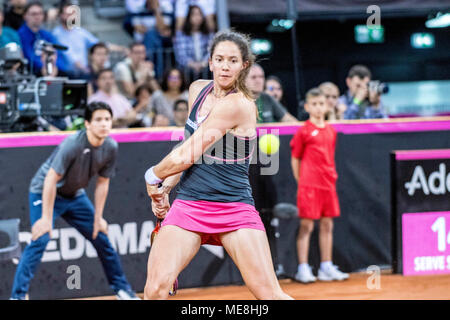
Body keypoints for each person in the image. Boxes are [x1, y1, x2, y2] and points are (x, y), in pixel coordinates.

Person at [143, 30, 293, 300]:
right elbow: (189, 147)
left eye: (233, 61)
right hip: (190, 205)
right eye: (220, 59)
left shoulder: (238, 105)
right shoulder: (197, 90)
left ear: (244, 65)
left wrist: (152, 176)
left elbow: (186, 155)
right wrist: (166, 187)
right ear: (210, 62)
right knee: (154, 291)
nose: (225, 66)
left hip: (234, 209)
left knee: (270, 295)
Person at [10, 102, 140, 300]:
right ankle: (18, 296)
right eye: (98, 120)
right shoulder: (73, 144)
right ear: (87, 123)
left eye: (107, 119)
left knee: (101, 237)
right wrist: (45, 218)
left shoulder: (111, 146)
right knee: (41, 238)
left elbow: (102, 183)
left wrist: (98, 217)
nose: (104, 124)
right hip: (44, 191)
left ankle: (123, 291)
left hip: (75, 196)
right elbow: (51, 179)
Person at [290, 87, 349, 284]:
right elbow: (295, 158)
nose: (317, 108)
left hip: (328, 185)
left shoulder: (331, 131)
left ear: (326, 106)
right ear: (307, 107)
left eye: (321, 104)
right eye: (314, 104)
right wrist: (302, 182)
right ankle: (303, 268)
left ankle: (326, 266)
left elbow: (329, 157)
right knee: (306, 226)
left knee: (327, 225)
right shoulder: (303, 131)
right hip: (309, 186)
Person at [18, 1, 71, 76]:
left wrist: (56, 67)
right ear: (25, 16)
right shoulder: (20, 35)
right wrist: (45, 66)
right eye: (34, 14)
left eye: (40, 13)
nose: (37, 17)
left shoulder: (47, 35)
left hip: (52, 71)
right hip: (33, 74)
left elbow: (59, 55)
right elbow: (29, 58)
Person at [173, 5, 214, 82]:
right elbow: (181, 55)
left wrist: (203, 63)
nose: (197, 17)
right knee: (186, 71)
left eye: (199, 14)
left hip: (205, 65)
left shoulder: (208, 33)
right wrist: (193, 64)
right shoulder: (181, 34)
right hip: (187, 67)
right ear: (188, 17)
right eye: (194, 14)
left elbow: (211, 51)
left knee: (211, 69)